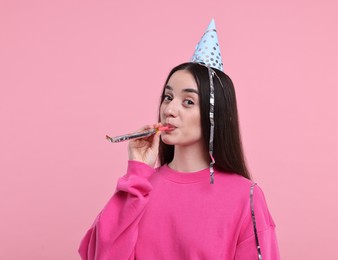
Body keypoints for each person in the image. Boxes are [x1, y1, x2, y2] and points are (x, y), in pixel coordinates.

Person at [79, 20, 280, 260]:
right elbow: (102, 255)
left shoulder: (245, 196)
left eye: (188, 101)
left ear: (215, 114)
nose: (170, 109)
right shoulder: (140, 189)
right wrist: (137, 172)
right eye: (168, 97)